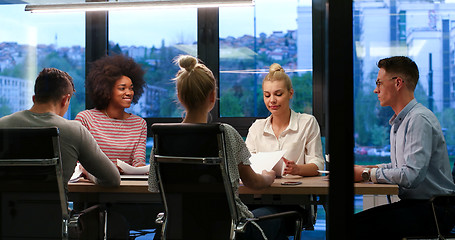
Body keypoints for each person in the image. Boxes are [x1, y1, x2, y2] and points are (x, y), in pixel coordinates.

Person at [148, 55, 289, 240]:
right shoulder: (224, 133)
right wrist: (268, 176)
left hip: (182, 230)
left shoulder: (162, 139)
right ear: (212, 97)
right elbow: (253, 182)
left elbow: (154, 186)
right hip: (232, 231)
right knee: (278, 214)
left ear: (180, 96)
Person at [353, 56, 455, 239]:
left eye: (379, 83)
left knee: (352, 228)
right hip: (420, 206)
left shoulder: (418, 120)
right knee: (351, 225)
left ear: (398, 83)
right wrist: (368, 169)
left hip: (434, 211)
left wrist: (366, 174)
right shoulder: (401, 122)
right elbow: (400, 167)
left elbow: (410, 176)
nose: (376, 90)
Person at [0, 68, 120, 190]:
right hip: (52, 209)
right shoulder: (75, 130)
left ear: (34, 99)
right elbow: (113, 179)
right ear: (65, 100)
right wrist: (88, 173)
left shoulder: (2, 124)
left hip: (7, 208)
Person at [245, 63, 324, 177]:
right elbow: (247, 165)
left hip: (297, 191)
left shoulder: (307, 123)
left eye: (278, 94)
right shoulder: (257, 128)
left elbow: (319, 164)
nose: (272, 100)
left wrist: (297, 169)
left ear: (290, 93)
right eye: (267, 95)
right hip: (263, 191)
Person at [75, 54, 147, 168]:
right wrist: (111, 170)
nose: (129, 93)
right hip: (92, 184)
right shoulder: (85, 119)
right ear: (107, 90)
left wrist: (141, 168)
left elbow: (139, 161)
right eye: (122, 88)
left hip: (128, 184)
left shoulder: (139, 124)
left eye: (131, 88)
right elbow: (79, 161)